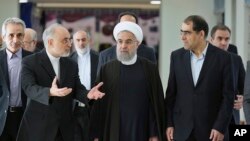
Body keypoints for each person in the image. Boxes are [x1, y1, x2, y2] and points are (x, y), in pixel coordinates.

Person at [16, 23, 104, 141]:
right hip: (39, 127)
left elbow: (77, 89)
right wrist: (50, 92)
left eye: (69, 40)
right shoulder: (30, 62)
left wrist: (88, 94)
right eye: (65, 41)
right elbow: (29, 88)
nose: (69, 44)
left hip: (65, 127)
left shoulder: (71, 64)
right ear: (50, 42)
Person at [89, 21, 165, 141]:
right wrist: (96, 135)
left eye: (128, 42)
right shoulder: (107, 69)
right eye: (120, 41)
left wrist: (154, 133)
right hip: (113, 129)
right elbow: (99, 106)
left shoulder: (149, 68)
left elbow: (154, 103)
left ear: (137, 44)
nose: (123, 45)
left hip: (141, 130)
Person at [165, 15, 234, 141]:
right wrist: (169, 123)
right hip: (182, 131)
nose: (182, 37)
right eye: (181, 32)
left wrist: (220, 127)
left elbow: (228, 97)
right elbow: (171, 95)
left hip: (212, 133)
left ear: (201, 34)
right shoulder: (176, 57)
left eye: (187, 33)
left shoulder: (224, 58)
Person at [0, 17, 32, 141]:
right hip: (2, 118)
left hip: (25, 117)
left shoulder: (33, 59)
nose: (15, 39)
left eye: (19, 35)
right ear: (3, 37)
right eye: (11, 35)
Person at [210, 24, 245, 125]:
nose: (223, 43)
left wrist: (242, 99)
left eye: (227, 39)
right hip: (208, 118)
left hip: (231, 118)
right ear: (211, 40)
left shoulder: (236, 59)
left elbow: (244, 88)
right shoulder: (202, 60)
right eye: (219, 38)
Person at [70, 30, 99, 141]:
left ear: (89, 41)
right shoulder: (68, 60)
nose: (81, 43)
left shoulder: (99, 58)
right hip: (74, 108)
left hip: (93, 108)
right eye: (77, 40)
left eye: (83, 39)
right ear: (73, 42)